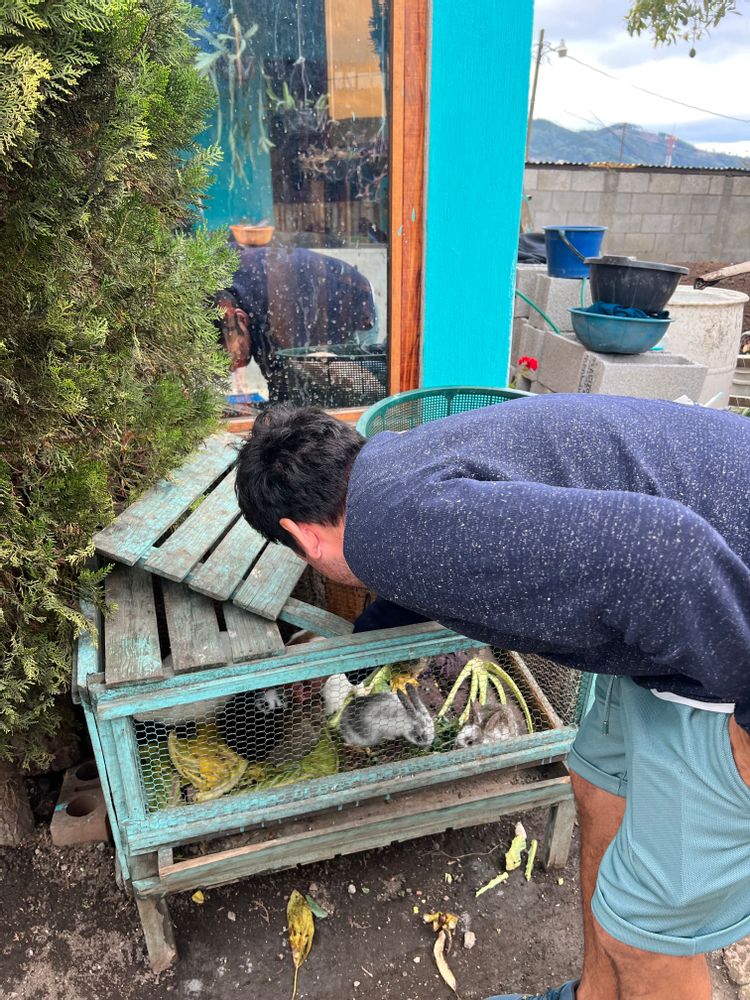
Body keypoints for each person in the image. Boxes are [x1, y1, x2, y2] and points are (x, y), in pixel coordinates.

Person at [234, 395, 750, 1000]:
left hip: (722, 639)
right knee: (598, 787)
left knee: (646, 932)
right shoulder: (390, 474)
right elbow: (420, 572)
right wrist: (355, 654)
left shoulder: (388, 532)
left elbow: (668, 553)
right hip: (674, 614)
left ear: (300, 535)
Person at [215, 245, 377, 401]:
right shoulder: (228, 293)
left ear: (241, 318)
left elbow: (285, 370)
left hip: (355, 307)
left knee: (353, 394)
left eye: (227, 356)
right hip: (317, 300)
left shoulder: (272, 304)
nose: (231, 368)